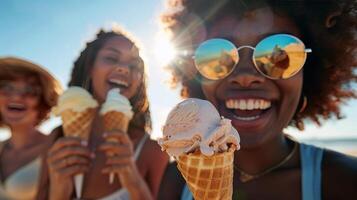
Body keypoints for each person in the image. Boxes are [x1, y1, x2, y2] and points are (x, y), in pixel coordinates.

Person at [158, 0, 357, 199]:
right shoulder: (173, 180)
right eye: (217, 56)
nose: (245, 75)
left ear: (310, 70)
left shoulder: (345, 181)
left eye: (278, 55)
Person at [43, 28, 169, 200]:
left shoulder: (153, 151)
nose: (124, 69)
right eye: (111, 58)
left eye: (135, 65)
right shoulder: (57, 139)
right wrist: (59, 192)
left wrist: (134, 182)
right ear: (90, 68)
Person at [0, 57, 62, 199]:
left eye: (30, 90)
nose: (16, 97)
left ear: (42, 101)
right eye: (6, 88)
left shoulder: (57, 146)